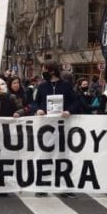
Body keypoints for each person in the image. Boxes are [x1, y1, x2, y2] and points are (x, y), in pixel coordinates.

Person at [33, 61, 78, 199]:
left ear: (51, 71)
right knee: (44, 156)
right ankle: (42, 186)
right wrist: (38, 109)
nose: (43, 72)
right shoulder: (42, 87)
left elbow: (76, 102)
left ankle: (64, 187)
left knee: (62, 157)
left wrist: (69, 111)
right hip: (45, 126)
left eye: (44, 69)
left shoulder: (66, 86)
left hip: (62, 126)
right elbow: (34, 103)